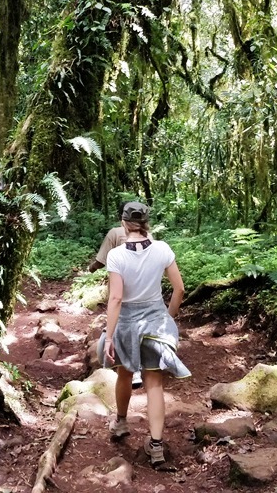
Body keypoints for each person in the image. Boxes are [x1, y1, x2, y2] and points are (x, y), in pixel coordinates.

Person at [97, 201, 190, 471]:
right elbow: (179, 289)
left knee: (124, 374)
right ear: (147, 223)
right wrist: (167, 318)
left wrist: (110, 336)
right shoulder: (162, 249)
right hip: (154, 324)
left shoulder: (116, 255)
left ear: (124, 224)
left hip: (126, 324)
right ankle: (157, 446)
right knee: (154, 382)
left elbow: (115, 298)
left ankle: (121, 422)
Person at [89, 202, 143, 388]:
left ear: (122, 219)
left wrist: (91, 269)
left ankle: (124, 370)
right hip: (146, 291)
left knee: (116, 326)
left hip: (121, 287)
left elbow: (99, 261)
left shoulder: (114, 233)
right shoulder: (150, 238)